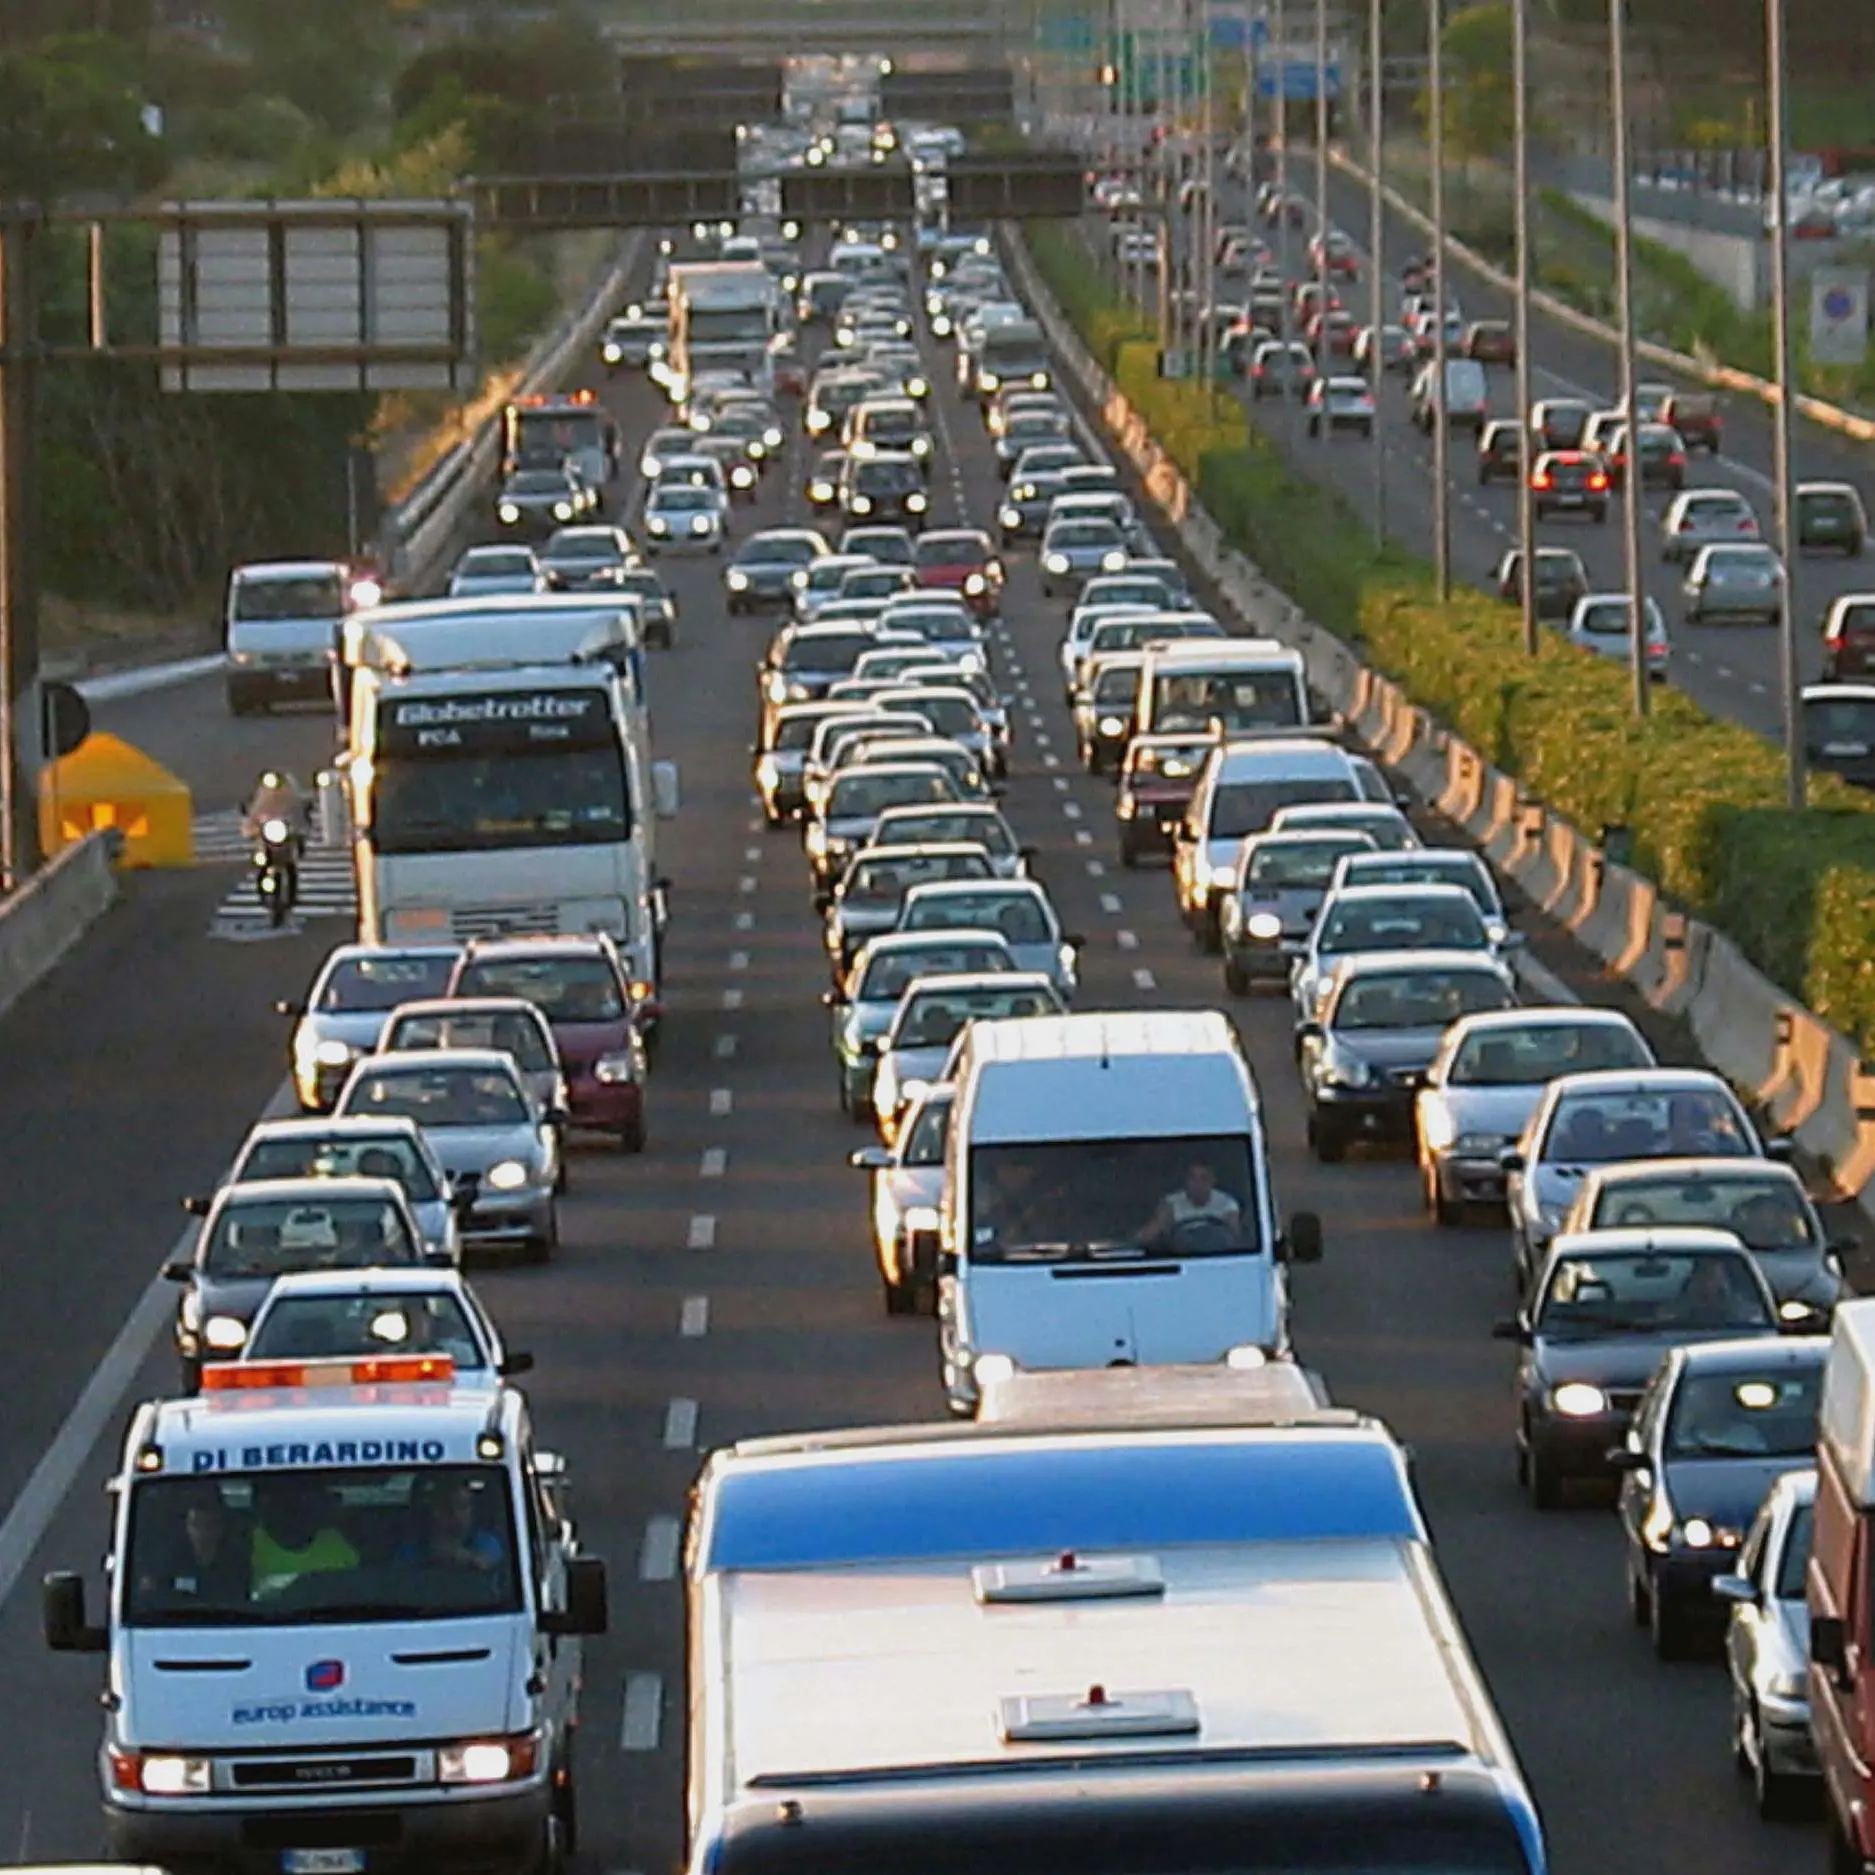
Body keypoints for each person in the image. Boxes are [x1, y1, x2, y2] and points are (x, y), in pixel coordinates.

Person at [140, 1483, 249, 1607]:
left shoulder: (236, 1565)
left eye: (208, 1525)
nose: (200, 1533)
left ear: (220, 1528)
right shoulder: (168, 1564)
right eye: (195, 1524)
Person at [251, 1475, 359, 1600]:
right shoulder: (250, 1546)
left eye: (301, 1502)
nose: (293, 1512)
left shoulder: (336, 1542)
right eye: (286, 1504)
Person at [398, 1477, 503, 1574]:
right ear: (433, 1511)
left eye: (462, 1506)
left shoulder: (486, 1543)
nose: (455, 1514)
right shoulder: (412, 1548)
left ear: (472, 1510)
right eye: (446, 1507)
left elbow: (489, 1563)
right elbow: (397, 1578)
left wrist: (466, 1558)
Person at [1140, 1161, 1243, 1248]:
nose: (1198, 1184)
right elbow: (1153, 1231)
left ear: (1213, 1181)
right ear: (1185, 1181)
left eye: (1204, 1178)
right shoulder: (1171, 1203)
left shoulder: (1227, 1204)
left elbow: (1234, 1238)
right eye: (1193, 1179)